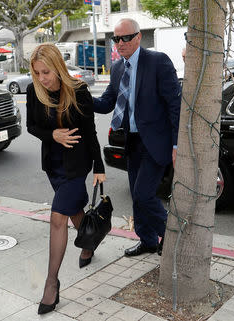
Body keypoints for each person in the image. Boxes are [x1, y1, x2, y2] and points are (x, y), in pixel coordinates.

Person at [26, 43, 106, 315]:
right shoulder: (33, 90)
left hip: (76, 164)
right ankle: (90, 241)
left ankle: (51, 283)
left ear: (58, 66)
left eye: (46, 72)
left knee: (58, 217)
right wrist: (53, 135)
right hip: (53, 165)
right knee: (72, 211)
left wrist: (99, 165)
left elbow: (90, 131)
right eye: (37, 72)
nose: (42, 78)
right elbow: (31, 126)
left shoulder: (78, 90)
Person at [94, 18, 181, 257]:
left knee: (144, 194)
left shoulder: (157, 62)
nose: (120, 43)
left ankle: (175, 237)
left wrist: (176, 144)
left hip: (156, 142)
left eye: (125, 38)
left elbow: (175, 106)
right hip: (132, 143)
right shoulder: (118, 68)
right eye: (116, 39)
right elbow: (106, 103)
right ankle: (148, 241)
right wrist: (79, 96)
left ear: (138, 37)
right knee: (136, 195)